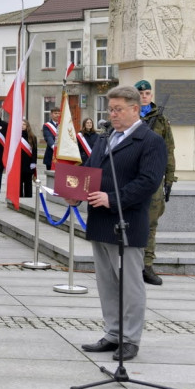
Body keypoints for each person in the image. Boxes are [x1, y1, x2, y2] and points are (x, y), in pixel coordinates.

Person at [75, 85, 167, 362]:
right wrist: (74, 193)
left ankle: (130, 339)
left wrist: (112, 199)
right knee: (106, 282)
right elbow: (90, 170)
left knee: (130, 284)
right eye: (110, 109)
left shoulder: (150, 141)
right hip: (100, 220)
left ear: (135, 109)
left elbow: (148, 182)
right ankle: (113, 333)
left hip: (127, 222)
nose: (112, 115)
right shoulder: (104, 139)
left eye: (118, 109)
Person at [136, 79, 176, 286]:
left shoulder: (161, 120)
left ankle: (147, 265)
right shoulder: (128, 117)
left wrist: (169, 178)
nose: (144, 96)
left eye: (147, 93)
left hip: (153, 180)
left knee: (151, 224)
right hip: (131, 178)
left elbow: (169, 151)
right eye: (141, 93)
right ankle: (130, 264)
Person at [20, 119, 38, 199]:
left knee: (28, 182)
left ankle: (28, 198)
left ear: (27, 126)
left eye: (24, 124)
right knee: (19, 182)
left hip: (28, 163)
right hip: (19, 163)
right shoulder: (15, 136)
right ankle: (19, 197)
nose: (22, 126)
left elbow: (34, 151)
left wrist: (33, 162)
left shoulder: (32, 137)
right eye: (21, 124)